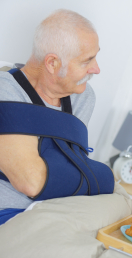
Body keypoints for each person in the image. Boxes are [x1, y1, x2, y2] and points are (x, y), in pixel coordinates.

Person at [0, 9, 105, 224]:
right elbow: (31, 182)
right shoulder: (6, 91)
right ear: (52, 63)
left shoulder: (83, 97)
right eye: (87, 61)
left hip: (57, 210)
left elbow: (68, 164)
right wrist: (100, 177)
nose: (96, 69)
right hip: (9, 212)